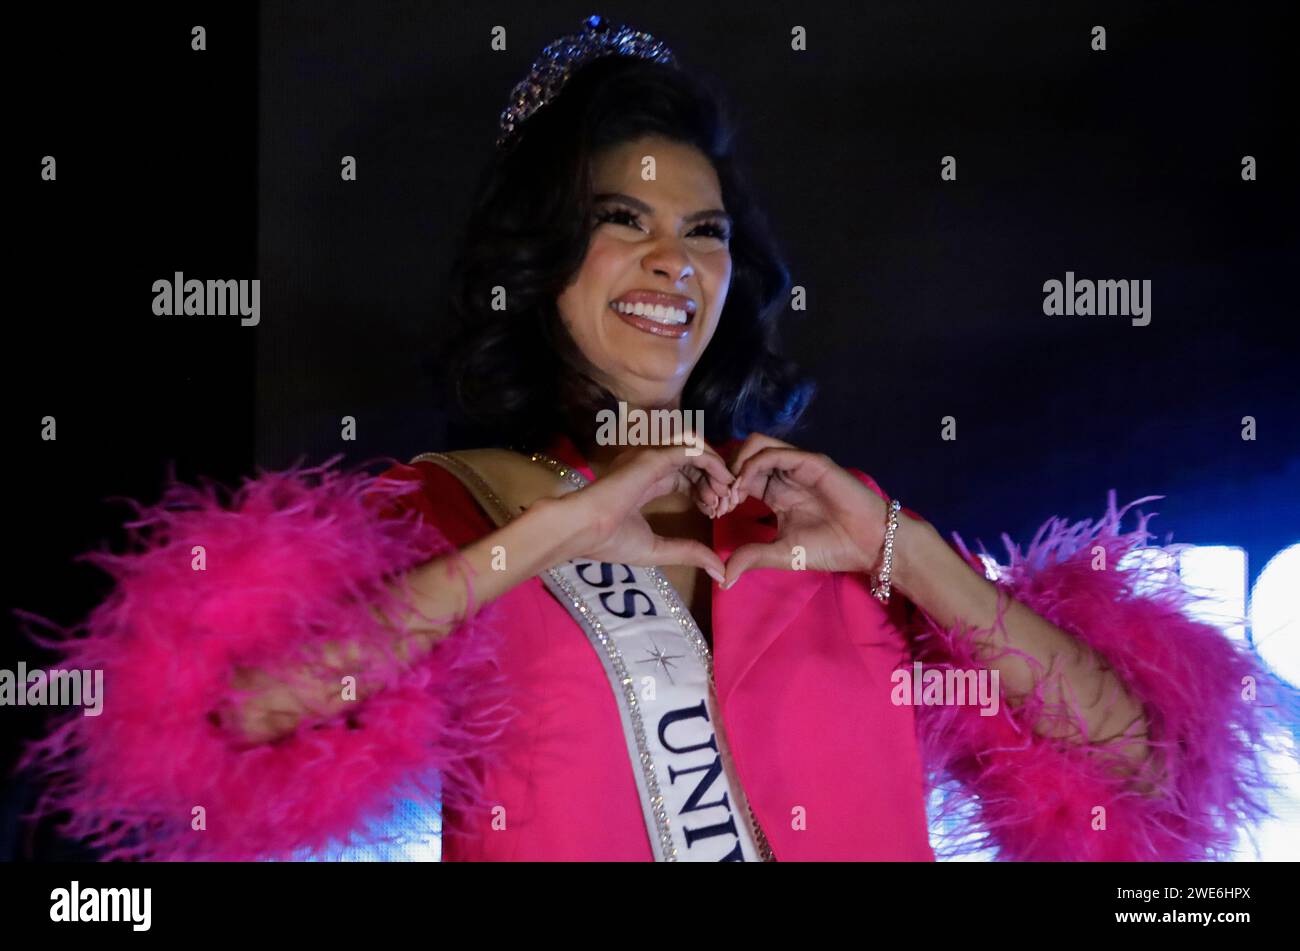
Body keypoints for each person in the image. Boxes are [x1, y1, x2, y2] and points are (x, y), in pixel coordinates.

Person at [22, 16, 1287, 862]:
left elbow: (1142, 777)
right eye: (620, 219)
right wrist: (550, 536)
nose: (671, 262)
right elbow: (231, 727)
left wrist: (911, 553)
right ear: (539, 260)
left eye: (707, 231)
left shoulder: (833, 523)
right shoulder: (447, 508)